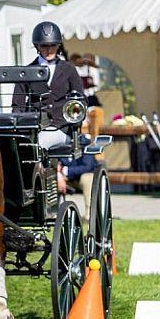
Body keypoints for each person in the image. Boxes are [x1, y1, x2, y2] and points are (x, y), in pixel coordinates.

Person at [15, 21, 84, 150]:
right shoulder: (26, 72)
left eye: (53, 45)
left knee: (40, 142)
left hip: (62, 127)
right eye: (44, 46)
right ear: (37, 46)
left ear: (58, 45)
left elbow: (81, 100)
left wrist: (73, 120)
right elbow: (17, 106)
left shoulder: (69, 69)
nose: (49, 50)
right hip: (34, 127)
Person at [57, 135, 98, 213]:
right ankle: (53, 212)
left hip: (82, 177)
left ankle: (89, 213)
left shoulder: (85, 143)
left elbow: (87, 166)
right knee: (53, 177)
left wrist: (65, 170)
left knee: (87, 178)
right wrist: (59, 174)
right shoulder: (57, 142)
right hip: (65, 177)